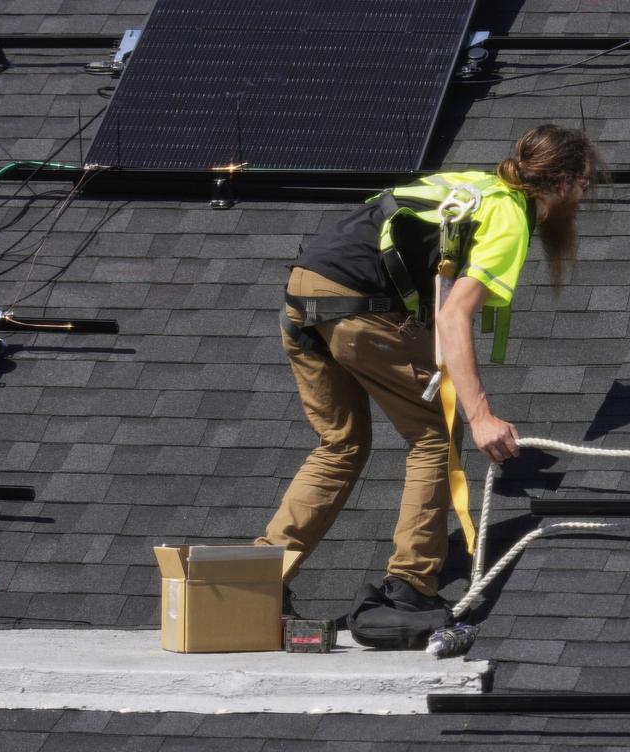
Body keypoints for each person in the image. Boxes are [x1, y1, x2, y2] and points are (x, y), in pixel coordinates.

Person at [257, 124, 604, 647]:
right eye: (587, 186)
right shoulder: (510, 218)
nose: (585, 197)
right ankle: (410, 589)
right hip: (359, 307)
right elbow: (453, 318)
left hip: (303, 296)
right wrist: (481, 414)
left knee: (341, 444)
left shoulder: (470, 185)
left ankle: (258, 582)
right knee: (436, 438)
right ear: (569, 183)